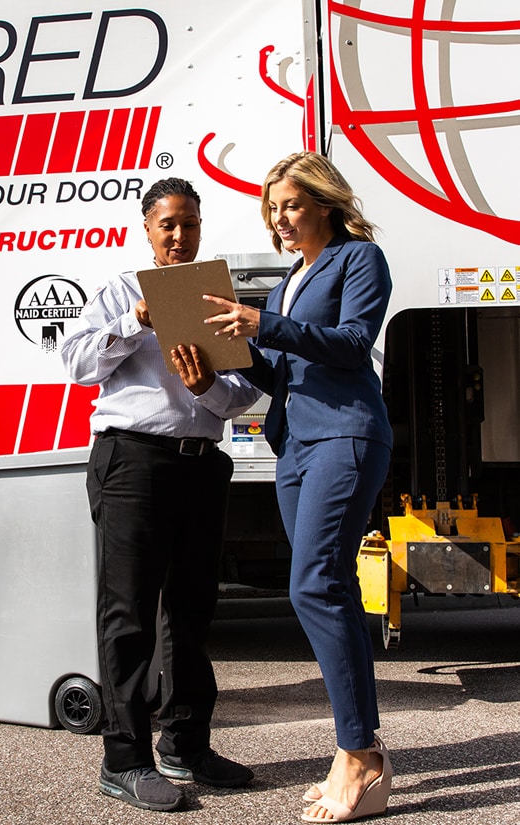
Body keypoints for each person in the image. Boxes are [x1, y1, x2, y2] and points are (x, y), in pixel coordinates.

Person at [202, 151, 393, 823]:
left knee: (313, 582)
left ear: (324, 204)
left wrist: (262, 322)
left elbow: (350, 342)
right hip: (297, 443)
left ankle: (360, 752)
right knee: (327, 587)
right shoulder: (289, 280)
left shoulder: (358, 259)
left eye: (291, 204)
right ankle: (358, 750)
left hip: (346, 432)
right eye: (274, 207)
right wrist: (225, 350)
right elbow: (277, 371)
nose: (281, 218)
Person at [61, 177, 259, 813]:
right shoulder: (120, 290)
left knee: (192, 613)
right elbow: (78, 363)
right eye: (169, 224)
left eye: (191, 224)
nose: (181, 235)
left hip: (201, 464)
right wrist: (135, 321)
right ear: (147, 227)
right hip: (135, 463)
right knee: (130, 615)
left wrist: (205, 387)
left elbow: (242, 394)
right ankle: (123, 760)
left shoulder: (211, 298)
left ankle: (186, 745)